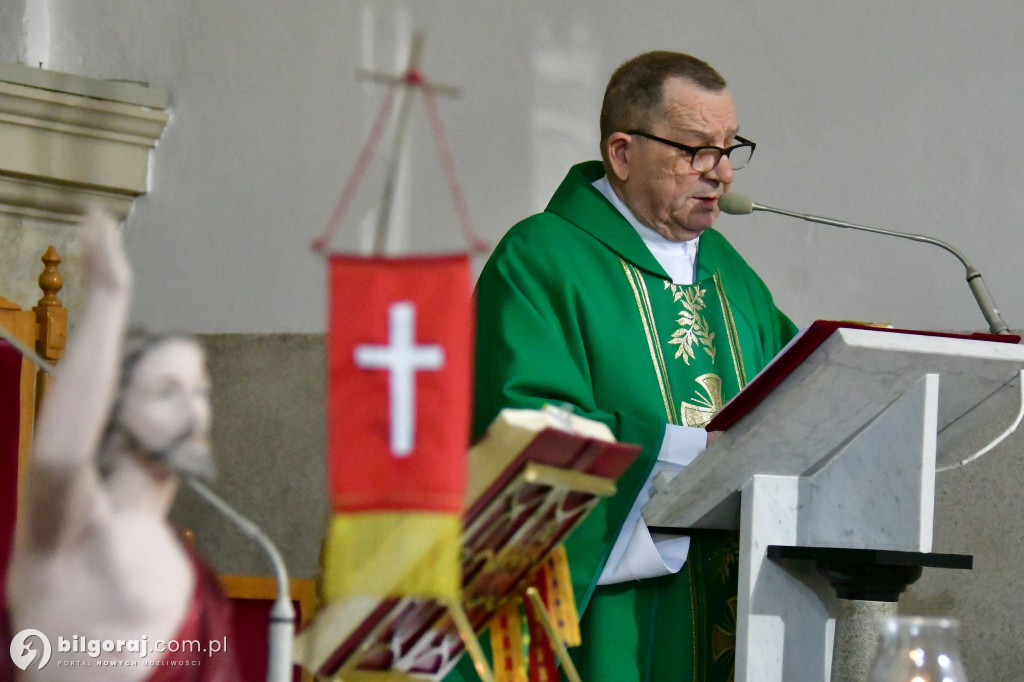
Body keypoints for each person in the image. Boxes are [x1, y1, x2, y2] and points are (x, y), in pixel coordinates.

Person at [467, 52, 798, 681]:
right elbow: (519, 441)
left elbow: (796, 398)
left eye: (731, 148)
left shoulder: (731, 276)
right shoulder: (541, 260)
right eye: (697, 150)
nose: (722, 173)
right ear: (622, 153)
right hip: (612, 622)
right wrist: (682, 452)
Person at [4, 207, 239, 680]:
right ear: (115, 413)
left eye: (200, 391)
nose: (192, 411)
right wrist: (111, 297)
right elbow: (57, 466)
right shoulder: (79, 531)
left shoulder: (181, 559)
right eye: (166, 392)